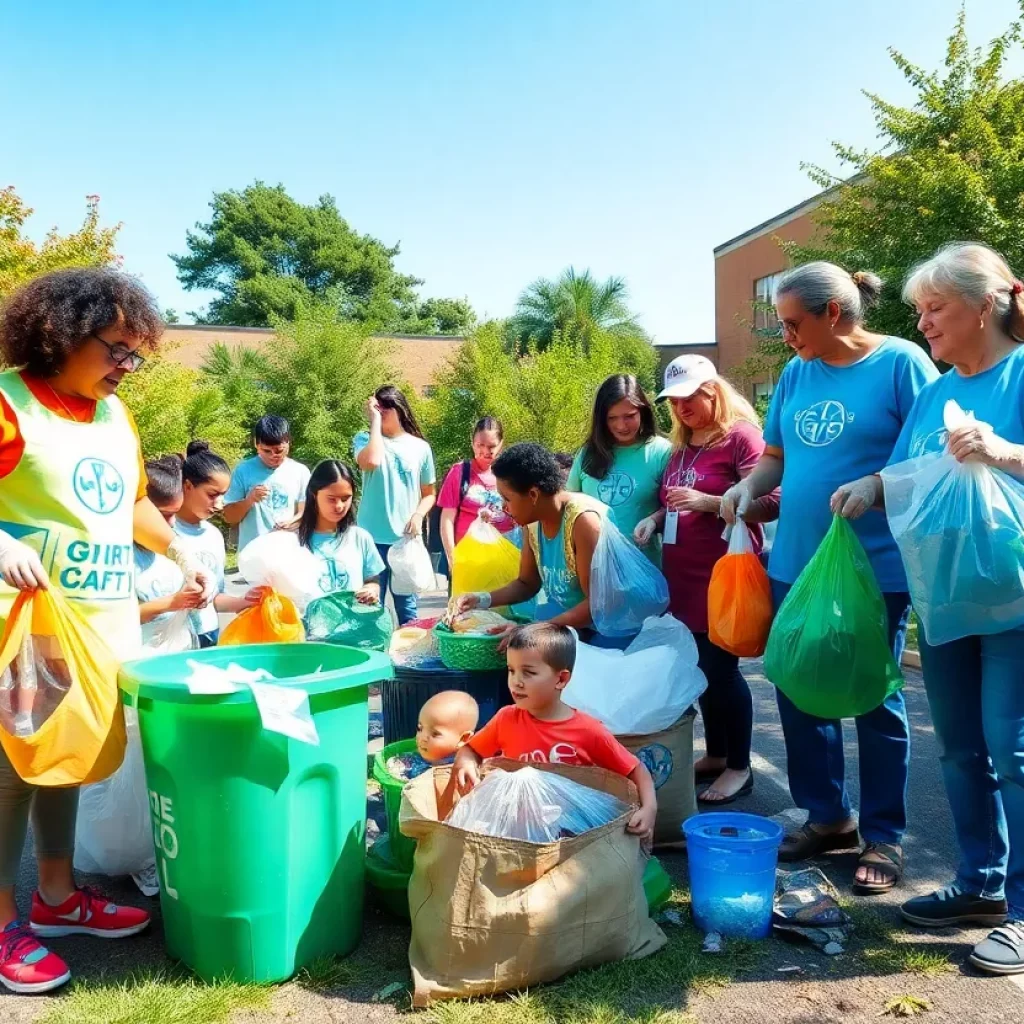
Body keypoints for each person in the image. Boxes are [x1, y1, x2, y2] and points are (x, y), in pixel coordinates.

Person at [0, 268, 213, 995]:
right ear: (60, 333)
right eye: (115, 348)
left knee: (65, 759)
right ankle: (1, 925)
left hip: (96, 626)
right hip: (25, 625)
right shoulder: (10, 405)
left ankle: (56, 899)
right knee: (12, 772)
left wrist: (180, 544)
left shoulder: (114, 418)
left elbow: (123, 509)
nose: (126, 365)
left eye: (135, 353)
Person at [721, 261, 938, 894]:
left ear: (833, 315)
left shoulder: (900, 364)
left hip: (876, 570)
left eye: (792, 323)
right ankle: (829, 815)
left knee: (874, 696)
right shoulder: (795, 373)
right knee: (797, 685)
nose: (784, 336)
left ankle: (884, 834)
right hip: (796, 562)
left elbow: (930, 455)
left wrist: (877, 485)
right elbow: (776, 457)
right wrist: (747, 485)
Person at [844, 243, 1023, 973]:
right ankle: (979, 883)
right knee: (959, 748)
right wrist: (873, 488)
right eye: (919, 310)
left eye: (935, 308)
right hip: (946, 597)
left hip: (1015, 599)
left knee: (1012, 749)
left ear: (985, 306)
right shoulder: (937, 388)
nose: (923, 323)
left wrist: (1006, 450)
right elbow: (913, 463)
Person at [648, 355, 779, 805]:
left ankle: (740, 766)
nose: (681, 407)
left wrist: (708, 503)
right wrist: (656, 515)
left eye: (690, 397)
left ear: (713, 391)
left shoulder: (741, 437)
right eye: (674, 400)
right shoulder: (682, 445)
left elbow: (772, 500)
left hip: (722, 574)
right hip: (682, 577)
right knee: (701, 668)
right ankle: (719, 753)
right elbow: (676, 501)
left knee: (721, 671)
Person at [453, 622, 657, 839]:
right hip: (515, 827)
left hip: (569, 833)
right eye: (511, 671)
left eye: (528, 673)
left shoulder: (587, 730)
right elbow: (471, 749)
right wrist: (465, 761)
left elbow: (635, 769)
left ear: (561, 679)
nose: (516, 682)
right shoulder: (506, 719)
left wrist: (649, 808)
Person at [456, 443, 605, 635]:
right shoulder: (533, 522)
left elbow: (597, 605)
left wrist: (534, 630)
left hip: (600, 637)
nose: (503, 507)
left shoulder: (583, 522)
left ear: (533, 494)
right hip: (560, 629)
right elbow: (527, 583)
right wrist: (481, 599)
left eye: (507, 499)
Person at [354, 386, 436, 625]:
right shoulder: (364, 439)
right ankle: (375, 654)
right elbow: (371, 461)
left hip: (404, 540)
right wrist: (376, 423)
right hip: (370, 540)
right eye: (376, 408)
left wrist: (419, 515)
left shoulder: (420, 448)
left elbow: (429, 494)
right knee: (370, 607)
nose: (380, 412)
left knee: (407, 608)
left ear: (399, 409)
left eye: (385, 408)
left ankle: (409, 655)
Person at [568, 375, 671, 558]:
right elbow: (569, 504)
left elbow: (674, 506)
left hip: (643, 566)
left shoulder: (662, 452)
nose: (621, 426)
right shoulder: (587, 454)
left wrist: (655, 520)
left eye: (629, 416)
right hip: (592, 565)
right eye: (611, 418)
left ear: (643, 412)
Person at [173, 442, 260, 648]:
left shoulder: (213, 535)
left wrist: (243, 603)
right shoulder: (163, 532)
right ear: (187, 486)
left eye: (223, 495)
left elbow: (214, 597)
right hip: (174, 640)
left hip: (209, 635)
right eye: (212, 495)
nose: (220, 504)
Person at [135, 456, 204, 648]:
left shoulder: (176, 548)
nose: (172, 523)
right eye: (164, 515)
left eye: (176, 513)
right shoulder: (123, 556)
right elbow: (114, 619)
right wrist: (173, 602)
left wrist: (198, 595)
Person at [297, 460, 384, 602]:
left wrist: (372, 590)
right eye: (331, 499)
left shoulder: (360, 538)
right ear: (314, 494)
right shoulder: (293, 540)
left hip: (354, 621)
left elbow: (372, 580)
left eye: (345, 498)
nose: (339, 506)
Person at [222, 415, 310, 553]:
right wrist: (249, 500)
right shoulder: (243, 470)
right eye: (266, 451)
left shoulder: (300, 472)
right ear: (256, 445)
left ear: (288, 442)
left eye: (279, 451)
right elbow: (229, 517)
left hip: (288, 552)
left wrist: (293, 522)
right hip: (253, 555)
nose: (273, 456)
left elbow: (305, 512)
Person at [438, 416, 513, 571]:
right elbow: (447, 519)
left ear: (501, 444)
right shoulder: (459, 472)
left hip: (504, 559)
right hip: (468, 561)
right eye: (480, 445)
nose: (485, 451)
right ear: (472, 443)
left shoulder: (511, 473)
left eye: (492, 446)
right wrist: (452, 558)